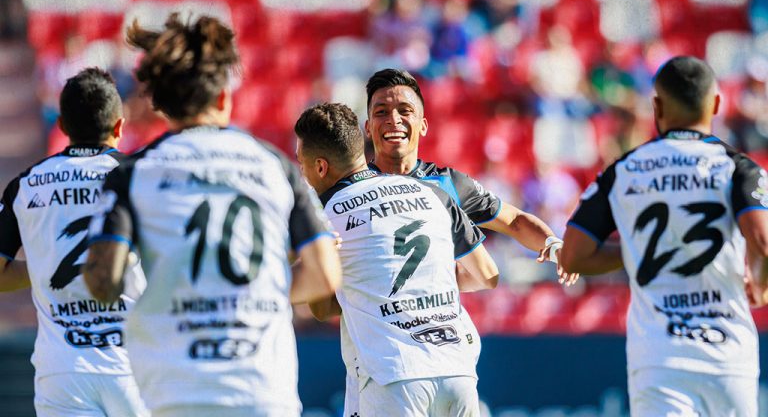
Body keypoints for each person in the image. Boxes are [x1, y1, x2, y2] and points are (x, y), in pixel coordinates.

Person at [82, 14, 342, 417]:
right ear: (223, 97)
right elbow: (325, 274)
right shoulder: (274, 165)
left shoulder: (132, 174)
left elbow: (103, 282)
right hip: (263, 390)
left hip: (176, 391)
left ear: (161, 105)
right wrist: (255, 292)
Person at [331, 67, 579, 417]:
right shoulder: (348, 195)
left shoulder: (446, 185)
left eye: (405, 110)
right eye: (381, 112)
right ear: (368, 127)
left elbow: (513, 220)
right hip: (380, 366)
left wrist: (554, 246)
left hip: (441, 362)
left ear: (423, 125)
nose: (394, 120)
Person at [561, 56, 765, 416]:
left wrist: (637, 251)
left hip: (659, 357)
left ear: (656, 107)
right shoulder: (739, 168)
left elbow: (573, 256)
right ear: (716, 104)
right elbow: (763, 241)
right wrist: (762, 284)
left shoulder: (624, 170)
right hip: (728, 355)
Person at [295, 102, 499, 416]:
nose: (302, 173)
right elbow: (487, 274)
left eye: (301, 163)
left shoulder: (326, 213)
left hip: (395, 377)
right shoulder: (430, 192)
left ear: (320, 167)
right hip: (458, 371)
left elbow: (322, 310)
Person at [0, 68, 148, 416]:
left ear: (62, 126)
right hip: (135, 366)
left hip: (62, 370)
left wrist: (46, 263)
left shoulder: (26, 184)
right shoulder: (141, 177)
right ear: (119, 126)